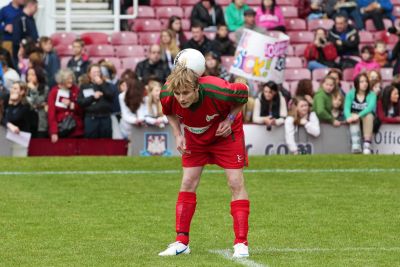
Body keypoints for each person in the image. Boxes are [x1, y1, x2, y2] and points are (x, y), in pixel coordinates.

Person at [158, 64, 250, 258]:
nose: (181, 98)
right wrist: (177, 134)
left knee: (235, 183)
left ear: (197, 88)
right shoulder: (167, 93)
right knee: (188, 182)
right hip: (195, 137)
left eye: (185, 93)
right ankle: (181, 242)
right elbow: (168, 112)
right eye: (178, 93)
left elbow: (244, 94)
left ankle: (241, 243)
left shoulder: (219, 89)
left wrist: (230, 119)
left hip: (226, 135)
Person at [77, 64, 114, 138]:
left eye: (98, 72)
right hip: (91, 118)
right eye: (94, 72)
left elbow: (111, 96)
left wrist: (101, 84)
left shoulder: (107, 84)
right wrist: (93, 97)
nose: (96, 74)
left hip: (105, 118)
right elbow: (80, 102)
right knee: (91, 143)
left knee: (105, 142)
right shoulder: (84, 86)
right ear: (89, 74)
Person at [47, 69, 84, 143]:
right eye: (68, 79)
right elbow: (51, 113)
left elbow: (82, 110)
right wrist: (54, 132)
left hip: (76, 128)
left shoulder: (76, 90)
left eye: (71, 78)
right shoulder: (54, 92)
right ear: (62, 80)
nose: (70, 81)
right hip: (61, 128)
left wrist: (72, 105)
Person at [344, 73, 377, 154]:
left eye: (366, 81)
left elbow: (369, 108)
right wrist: (348, 116)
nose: (364, 83)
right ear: (356, 83)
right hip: (354, 115)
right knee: (352, 115)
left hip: (366, 116)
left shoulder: (372, 94)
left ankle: (367, 145)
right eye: (361, 82)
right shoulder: (350, 94)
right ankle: (356, 144)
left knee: (369, 115)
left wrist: (358, 115)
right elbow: (346, 108)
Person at [25, 66, 49, 137]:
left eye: (33, 74)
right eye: (28, 74)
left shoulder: (45, 88)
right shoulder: (25, 88)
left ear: (38, 75)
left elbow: (38, 101)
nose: (30, 77)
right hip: (28, 121)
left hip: (40, 122)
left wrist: (33, 89)